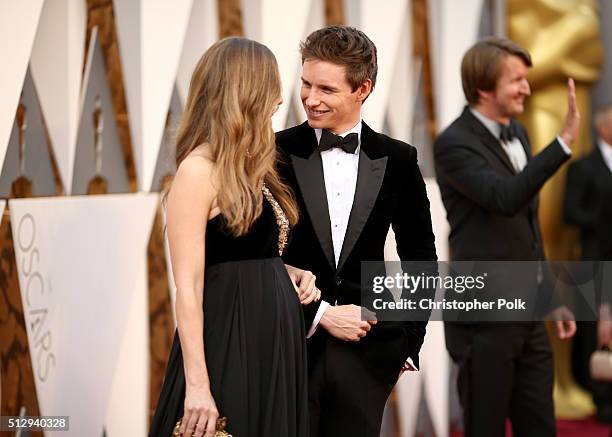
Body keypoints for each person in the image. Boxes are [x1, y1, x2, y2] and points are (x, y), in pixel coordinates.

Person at [149, 37, 317, 437]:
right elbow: (187, 287)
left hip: (271, 345)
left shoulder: (251, 165)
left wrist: (284, 270)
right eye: (271, 86)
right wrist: (198, 387)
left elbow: (237, 252)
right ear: (245, 92)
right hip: (228, 343)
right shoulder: (197, 171)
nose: (280, 99)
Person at [276, 25, 437, 437]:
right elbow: (261, 257)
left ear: (361, 89)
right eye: (306, 84)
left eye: (326, 89)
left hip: (367, 353)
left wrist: (407, 344)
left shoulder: (398, 159)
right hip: (287, 344)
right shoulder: (273, 152)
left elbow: (421, 257)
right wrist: (318, 314)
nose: (311, 98)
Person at [433, 37, 578, 437]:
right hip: (484, 316)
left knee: (540, 425)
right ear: (483, 88)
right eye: (516, 80)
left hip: (530, 313)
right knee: (486, 426)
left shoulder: (519, 133)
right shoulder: (452, 143)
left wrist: (549, 298)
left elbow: (528, 231)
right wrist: (563, 143)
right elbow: (504, 198)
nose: (527, 89)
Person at [564, 104, 612, 423]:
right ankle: (601, 398)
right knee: (596, 330)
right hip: (595, 260)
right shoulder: (583, 168)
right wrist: (602, 218)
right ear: (602, 127)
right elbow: (570, 212)